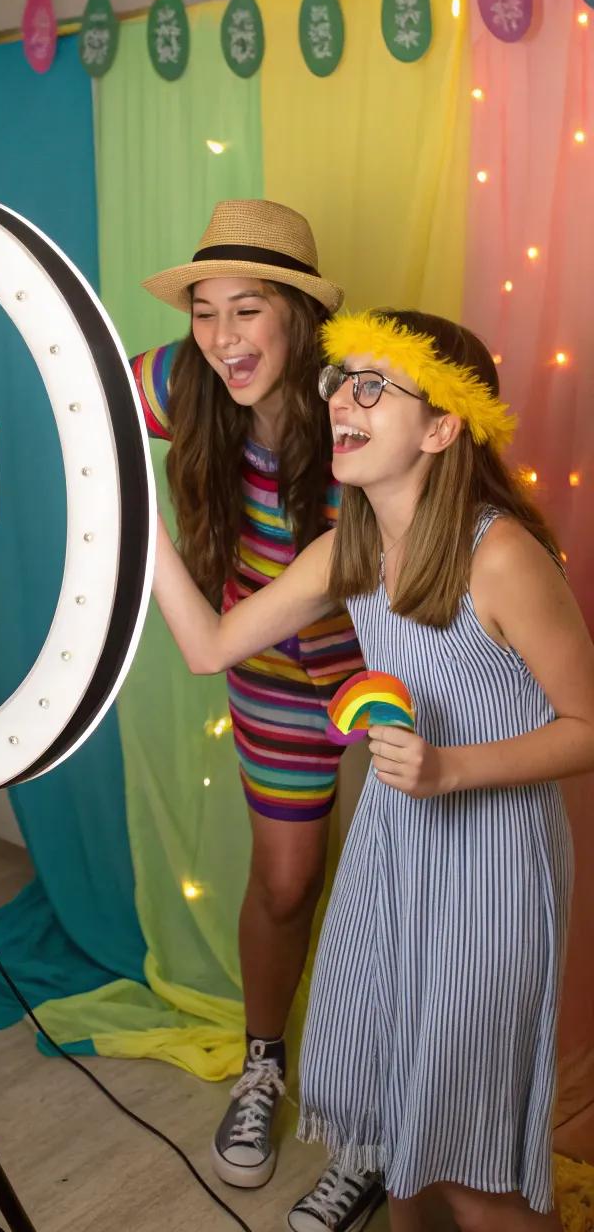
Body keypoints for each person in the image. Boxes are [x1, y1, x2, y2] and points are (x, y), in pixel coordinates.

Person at [152, 307, 594, 1232]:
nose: (339, 400)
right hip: (395, 851)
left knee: (473, 1172)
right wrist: (125, 513)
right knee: (403, 1131)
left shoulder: (500, 556)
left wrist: (451, 771)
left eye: (371, 385)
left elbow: (589, 727)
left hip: (491, 867)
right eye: (337, 380)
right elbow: (212, 647)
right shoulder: (349, 549)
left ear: (441, 428)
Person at [135, 199, 378, 1223]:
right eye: (204, 311)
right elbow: (76, 393)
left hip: (386, 685)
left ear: (298, 316)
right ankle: (262, 1068)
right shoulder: (182, 380)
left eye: (248, 310)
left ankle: (372, 1126)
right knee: (284, 888)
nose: (223, 338)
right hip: (267, 680)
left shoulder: (358, 404)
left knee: (384, 908)